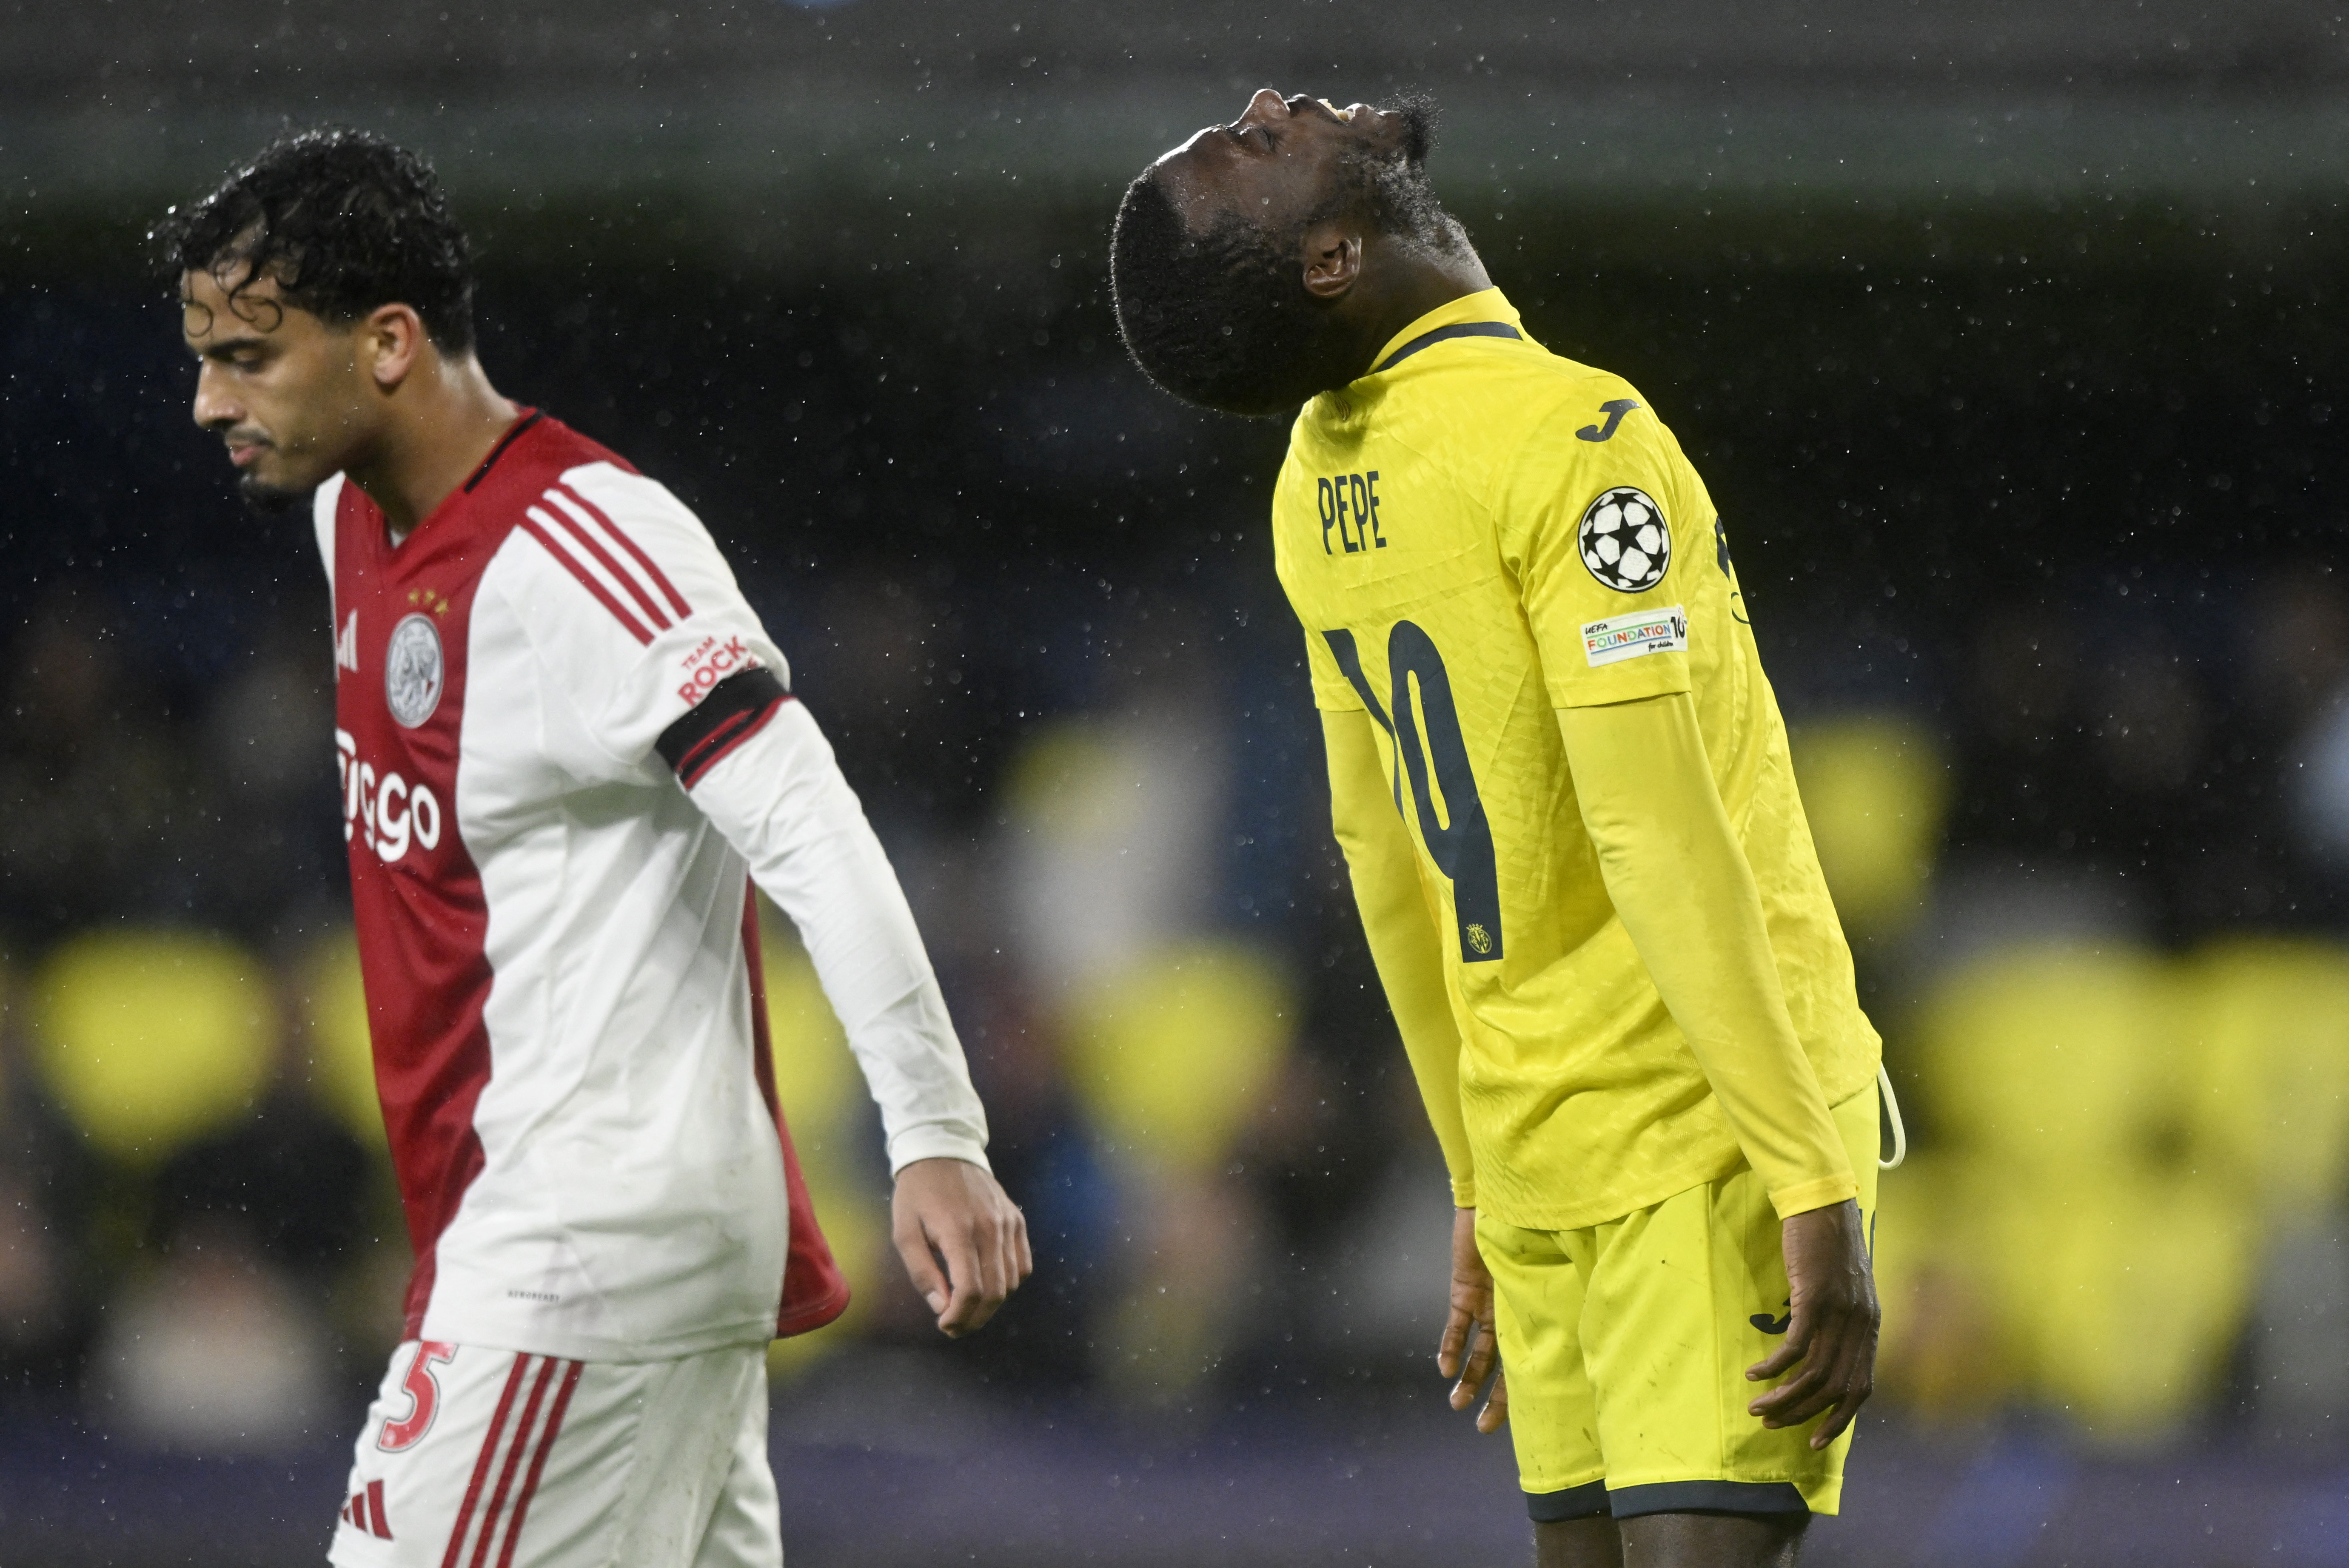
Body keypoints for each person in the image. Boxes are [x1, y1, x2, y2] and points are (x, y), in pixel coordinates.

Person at [157, 128, 1030, 1568]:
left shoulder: (586, 547)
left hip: (586, 1233)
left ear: (387, 343)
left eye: (248, 356)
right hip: (559, 1226)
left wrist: (935, 1132)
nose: (206, 401)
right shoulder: (345, 525)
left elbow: (812, 830)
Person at [1110, 92, 1887, 1568]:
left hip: (1535, 1144)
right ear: (1333, 257)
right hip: (1697, 1131)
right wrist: (1809, 1178)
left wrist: (1475, 1173)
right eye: (1257, 149)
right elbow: (1656, 833)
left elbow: (1378, 856)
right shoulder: (1575, 434)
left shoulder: (1315, 480)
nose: (1274, 106)